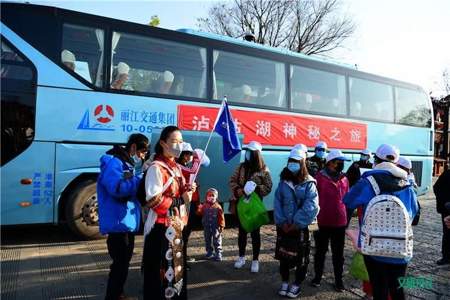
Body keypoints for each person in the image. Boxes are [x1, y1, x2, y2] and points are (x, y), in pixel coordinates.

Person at [343, 144, 418, 300]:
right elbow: (413, 213)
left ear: (376, 160)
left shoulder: (367, 182)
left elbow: (348, 201)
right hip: (400, 247)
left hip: (373, 246)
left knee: (379, 289)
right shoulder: (408, 185)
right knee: (398, 290)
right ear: (397, 163)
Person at [142, 126, 195, 300]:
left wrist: (187, 189)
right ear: (163, 143)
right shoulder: (156, 168)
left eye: (181, 142)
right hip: (160, 231)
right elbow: (153, 200)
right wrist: (180, 200)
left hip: (176, 229)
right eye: (174, 141)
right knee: (162, 273)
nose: (178, 145)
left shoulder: (176, 168)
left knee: (176, 272)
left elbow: (177, 192)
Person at [97, 133, 149, 300]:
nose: (142, 156)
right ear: (133, 147)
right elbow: (117, 189)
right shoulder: (115, 163)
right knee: (120, 265)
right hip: (118, 223)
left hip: (125, 223)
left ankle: (118, 293)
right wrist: (140, 179)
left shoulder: (126, 164)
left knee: (123, 263)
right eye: (142, 152)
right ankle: (113, 295)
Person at [274, 147, 319, 298]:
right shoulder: (283, 182)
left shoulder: (309, 183)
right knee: (284, 255)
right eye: (290, 162)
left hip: (301, 227)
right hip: (284, 227)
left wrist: (296, 223)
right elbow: (277, 202)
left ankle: (296, 284)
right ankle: (285, 282)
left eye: (296, 162)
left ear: (302, 163)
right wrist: (282, 222)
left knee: (301, 257)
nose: (292, 164)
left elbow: (311, 206)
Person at [229, 141, 273, 273]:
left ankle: (255, 260)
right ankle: (241, 257)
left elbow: (269, 187)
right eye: (247, 151)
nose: (247, 154)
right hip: (242, 204)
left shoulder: (264, 170)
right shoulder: (241, 167)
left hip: (255, 206)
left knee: (255, 233)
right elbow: (232, 180)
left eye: (250, 152)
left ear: (256, 154)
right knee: (242, 232)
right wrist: (239, 190)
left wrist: (256, 188)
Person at [311, 149, 350, 292]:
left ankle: (339, 281)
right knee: (320, 252)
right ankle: (317, 277)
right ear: (330, 163)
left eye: (342, 162)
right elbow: (312, 202)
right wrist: (312, 225)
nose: (341, 164)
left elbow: (347, 199)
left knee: (338, 254)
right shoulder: (318, 178)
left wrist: (347, 219)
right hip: (321, 223)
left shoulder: (344, 179)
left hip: (339, 223)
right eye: (339, 162)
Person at [177, 143, 210, 266]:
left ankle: (182, 256)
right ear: (184, 155)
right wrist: (197, 158)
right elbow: (192, 171)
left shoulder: (184, 165)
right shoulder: (178, 166)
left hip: (191, 203)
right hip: (184, 204)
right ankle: (180, 260)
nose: (190, 157)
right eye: (189, 154)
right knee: (182, 233)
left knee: (186, 232)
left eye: (192, 155)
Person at [196, 188, 225, 261]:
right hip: (206, 227)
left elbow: (221, 217)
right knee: (207, 240)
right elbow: (199, 213)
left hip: (215, 227)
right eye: (209, 195)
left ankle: (218, 254)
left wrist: (222, 226)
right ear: (206, 197)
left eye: (213, 195)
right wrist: (199, 209)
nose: (211, 197)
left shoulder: (218, 207)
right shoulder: (204, 206)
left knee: (217, 240)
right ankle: (209, 253)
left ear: (216, 197)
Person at [434, 163, 450, 265]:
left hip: (447, 207)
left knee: (447, 234)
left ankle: (446, 257)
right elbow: (437, 188)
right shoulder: (447, 174)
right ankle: (446, 257)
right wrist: (445, 202)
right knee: (447, 234)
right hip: (447, 209)